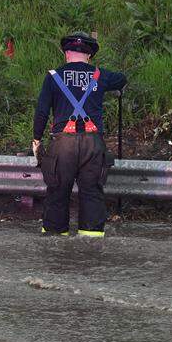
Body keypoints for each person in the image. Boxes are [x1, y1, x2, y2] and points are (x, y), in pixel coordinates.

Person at [33, 32, 127, 237]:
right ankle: (91, 243)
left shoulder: (53, 77)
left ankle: (55, 240)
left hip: (62, 145)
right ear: (89, 56)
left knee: (57, 193)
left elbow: (41, 111)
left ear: (66, 53)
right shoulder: (100, 75)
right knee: (92, 193)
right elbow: (122, 79)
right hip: (92, 145)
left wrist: (36, 139)